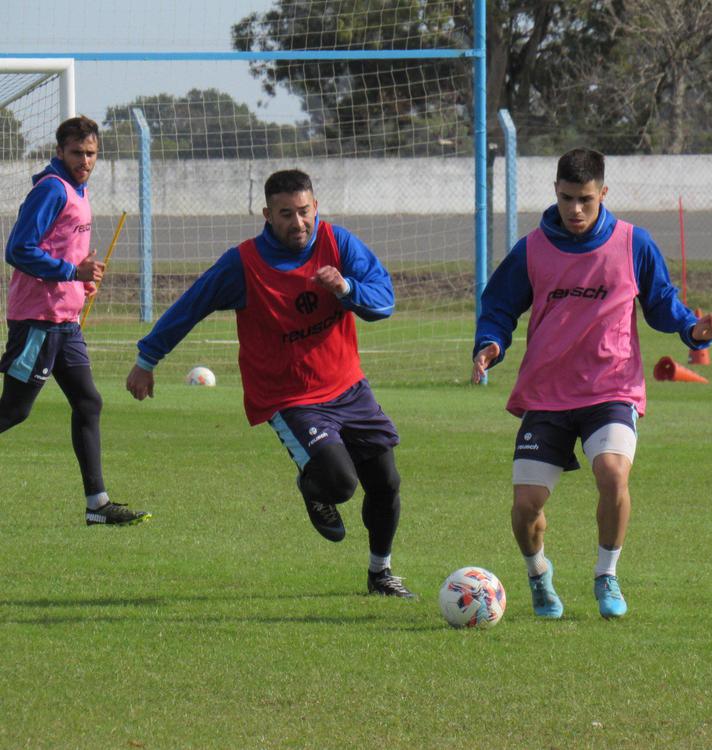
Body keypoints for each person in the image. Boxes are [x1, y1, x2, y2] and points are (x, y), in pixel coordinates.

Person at [125, 168, 414, 598]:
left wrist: (347, 287)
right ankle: (311, 486)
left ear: (315, 207)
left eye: (304, 212)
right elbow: (192, 305)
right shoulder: (244, 264)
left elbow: (384, 299)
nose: (297, 223)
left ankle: (381, 573)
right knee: (340, 482)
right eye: (285, 214)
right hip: (290, 398)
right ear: (266, 214)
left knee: (386, 482)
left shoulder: (338, 243)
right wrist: (147, 359)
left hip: (349, 387)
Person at [472, 148, 712, 619]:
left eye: (586, 200)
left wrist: (696, 330)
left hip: (610, 389)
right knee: (526, 505)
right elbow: (498, 306)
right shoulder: (531, 248)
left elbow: (662, 305)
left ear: (603, 194)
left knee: (612, 473)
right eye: (568, 198)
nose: (575, 209)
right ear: (555, 191)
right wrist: (490, 343)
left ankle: (606, 574)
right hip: (547, 393)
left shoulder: (634, 243)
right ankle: (538, 576)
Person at [1, 115, 150, 526]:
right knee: (13, 412)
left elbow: (66, 255)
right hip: (38, 320)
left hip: (65, 321)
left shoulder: (78, 191)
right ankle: (96, 504)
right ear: (60, 151)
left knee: (88, 402)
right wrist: (72, 274)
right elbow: (17, 250)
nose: (85, 160)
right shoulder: (51, 189)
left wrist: (82, 284)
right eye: (77, 153)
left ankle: (97, 505)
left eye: (91, 154)